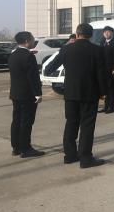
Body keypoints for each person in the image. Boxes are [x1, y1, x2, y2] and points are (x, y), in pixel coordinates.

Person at [45, 23, 107, 169]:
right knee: (87, 126)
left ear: (77, 34)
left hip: (70, 93)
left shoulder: (66, 49)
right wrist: (103, 92)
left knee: (71, 123)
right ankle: (85, 158)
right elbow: (101, 74)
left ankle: (70, 155)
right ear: (91, 35)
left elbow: (49, 68)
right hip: (89, 93)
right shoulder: (97, 50)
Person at [8, 31, 44, 158]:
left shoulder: (13, 55)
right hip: (27, 95)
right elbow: (33, 77)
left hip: (15, 93)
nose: (34, 41)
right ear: (27, 41)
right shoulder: (28, 56)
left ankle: (16, 147)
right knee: (26, 122)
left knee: (16, 120)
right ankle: (26, 148)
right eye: (33, 39)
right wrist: (38, 94)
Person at [99, 26, 114, 114]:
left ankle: (111, 106)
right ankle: (106, 106)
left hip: (111, 70)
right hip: (104, 70)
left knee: (112, 88)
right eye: (105, 32)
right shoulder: (102, 42)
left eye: (108, 32)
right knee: (105, 88)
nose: (106, 33)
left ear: (112, 33)